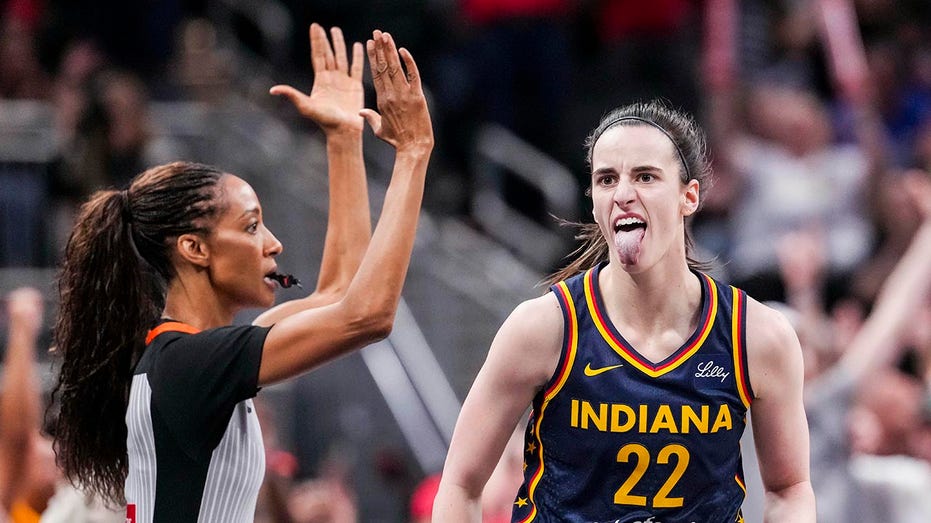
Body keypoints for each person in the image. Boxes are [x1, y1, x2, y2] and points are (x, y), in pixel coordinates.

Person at [49, 23, 433, 523]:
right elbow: (368, 316)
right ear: (194, 248)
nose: (274, 243)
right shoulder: (190, 364)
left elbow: (342, 293)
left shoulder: (193, 356)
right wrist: (413, 154)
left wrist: (343, 140)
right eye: (251, 226)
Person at [433, 100, 815, 522]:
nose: (623, 194)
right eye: (607, 179)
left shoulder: (757, 336)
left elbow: (790, 488)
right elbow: (460, 484)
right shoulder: (543, 327)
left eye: (645, 176)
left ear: (689, 197)